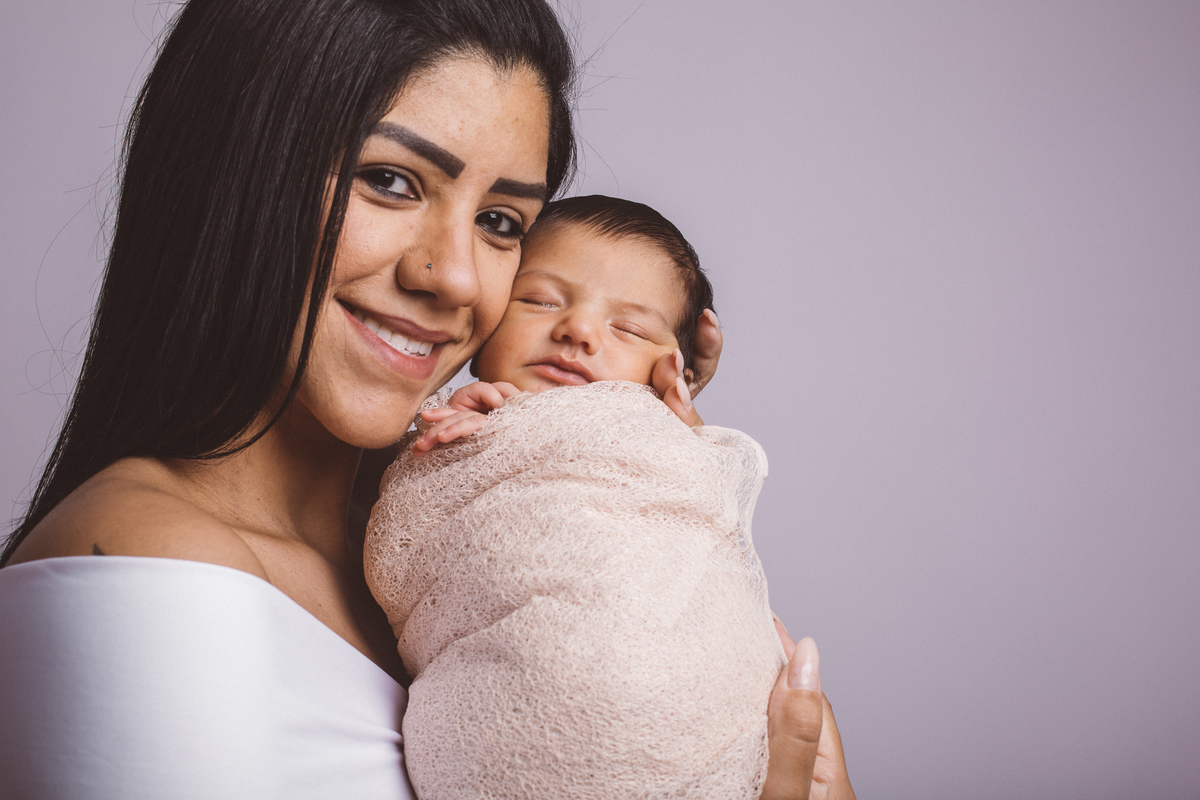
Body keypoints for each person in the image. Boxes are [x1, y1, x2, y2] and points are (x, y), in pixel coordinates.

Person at [0, 0, 852, 797]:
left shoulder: (451, 548)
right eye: (393, 182)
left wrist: (634, 454)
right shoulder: (151, 575)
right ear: (236, 170)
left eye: (501, 223)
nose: (451, 276)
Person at [366, 195, 797, 799]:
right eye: (540, 301)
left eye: (630, 328)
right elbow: (415, 534)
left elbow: (707, 527)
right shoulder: (465, 421)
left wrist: (685, 438)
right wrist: (441, 443)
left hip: (682, 708)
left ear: (671, 369)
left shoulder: (661, 443)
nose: (578, 330)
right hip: (511, 719)